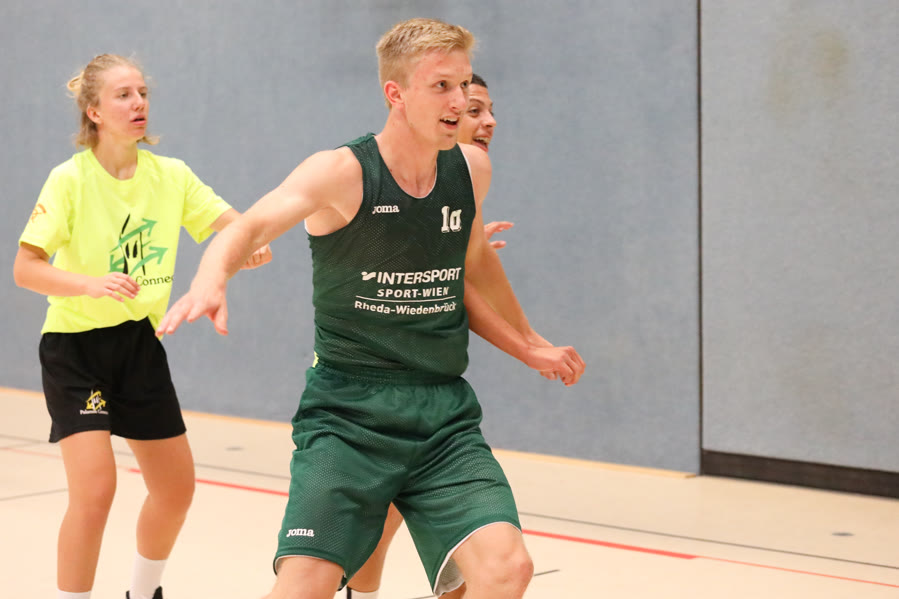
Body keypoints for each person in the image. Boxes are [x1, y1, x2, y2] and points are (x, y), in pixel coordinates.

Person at [156, 18, 584, 599]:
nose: (460, 101)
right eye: (441, 86)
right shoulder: (342, 172)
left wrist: (528, 345)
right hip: (348, 414)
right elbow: (250, 225)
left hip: (442, 416)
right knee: (305, 586)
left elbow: (464, 271)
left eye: (464, 85)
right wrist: (212, 278)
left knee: (507, 568)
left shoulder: (470, 170)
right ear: (395, 93)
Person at [13, 54, 271, 599]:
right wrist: (88, 284)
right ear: (94, 111)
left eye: (142, 93)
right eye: (124, 95)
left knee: (176, 490)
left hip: (138, 345)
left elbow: (234, 226)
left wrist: (244, 246)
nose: (139, 104)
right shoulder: (69, 180)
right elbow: (25, 268)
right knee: (95, 492)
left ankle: (143, 590)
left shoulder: (170, 176)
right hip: (75, 348)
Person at [341, 71, 507, 599]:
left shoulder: (461, 181)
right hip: (371, 389)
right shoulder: (378, 179)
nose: (487, 121)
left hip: (433, 390)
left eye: (486, 109)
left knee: (414, 524)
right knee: (381, 519)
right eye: (473, 109)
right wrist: (529, 345)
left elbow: (456, 271)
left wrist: (465, 253)